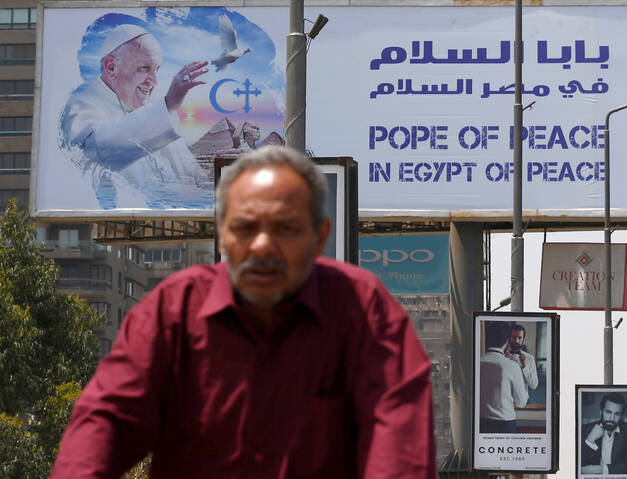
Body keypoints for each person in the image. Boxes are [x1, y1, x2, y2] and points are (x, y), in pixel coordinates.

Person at [50, 146, 437, 478]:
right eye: (245, 228)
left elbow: (400, 450)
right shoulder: (172, 314)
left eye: (285, 228)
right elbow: (105, 425)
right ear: (222, 231)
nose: (263, 246)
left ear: (320, 236)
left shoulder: (364, 312)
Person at [59, 24, 211, 209]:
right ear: (111, 67)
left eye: (157, 69)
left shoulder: (157, 110)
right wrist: (168, 105)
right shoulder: (81, 105)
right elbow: (93, 152)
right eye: (144, 68)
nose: (154, 81)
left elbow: (193, 174)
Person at [479, 321, 528, 433]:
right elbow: (521, 402)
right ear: (507, 341)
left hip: (480, 423)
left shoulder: (475, 363)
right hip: (504, 424)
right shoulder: (512, 366)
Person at [580, 392, 627, 475]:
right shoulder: (585, 430)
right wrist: (590, 440)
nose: (611, 418)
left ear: (621, 416)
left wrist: (601, 470)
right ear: (601, 412)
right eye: (608, 412)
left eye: (617, 414)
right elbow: (577, 463)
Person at [506, 323, 538, 390]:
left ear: (523, 339)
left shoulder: (529, 358)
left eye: (519, 338)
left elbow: (534, 385)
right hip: (505, 399)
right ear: (509, 337)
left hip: (524, 399)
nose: (516, 341)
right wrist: (505, 362)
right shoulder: (502, 356)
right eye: (514, 337)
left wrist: (524, 366)